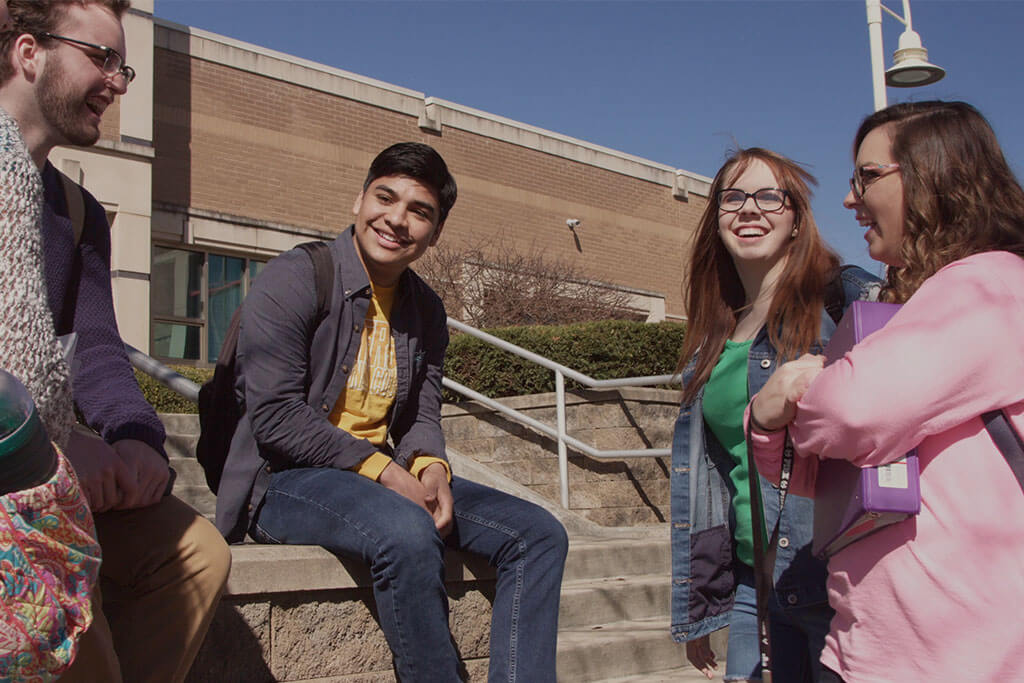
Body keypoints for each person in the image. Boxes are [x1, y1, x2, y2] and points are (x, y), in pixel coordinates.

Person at [217, 142, 569, 682]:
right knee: (405, 531)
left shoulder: (425, 309)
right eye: (386, 197)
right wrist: (385, 471)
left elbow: (422, 414)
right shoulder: (295, 278)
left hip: (378, 477)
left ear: (436, 232)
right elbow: (277, 417)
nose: (396, 219)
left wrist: (432, 468)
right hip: (281, 480)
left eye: (419, 211)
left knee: (539, 534)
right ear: (359, 200)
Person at [749, 100, 1024, 682]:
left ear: (936, 176)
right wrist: (768, 419)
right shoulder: (915, 307)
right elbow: (817, 474)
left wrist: (802, 386)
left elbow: (853, 412)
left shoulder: (991, 283)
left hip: (954, 658)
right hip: (876, 648)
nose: (850, 198)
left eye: (867, 177)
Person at [0, 2, 231, 681]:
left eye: (121, 64)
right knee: (76, 629)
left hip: (46, 472)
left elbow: (97, 346)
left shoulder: (76, 212)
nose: (118, 82)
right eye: (100, 57)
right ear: (29, 53)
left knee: (195, 552)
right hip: (20, 468)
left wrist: (134, 440)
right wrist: (53, 441)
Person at [670, 147, 877, 682]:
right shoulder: (714, 335)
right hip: (753, 584)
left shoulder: (841, 297)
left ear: (795, 219)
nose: (749, 210)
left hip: (835, 578)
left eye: (769, 196)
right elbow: (720, 475)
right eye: (732, 198)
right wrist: (700, 603)